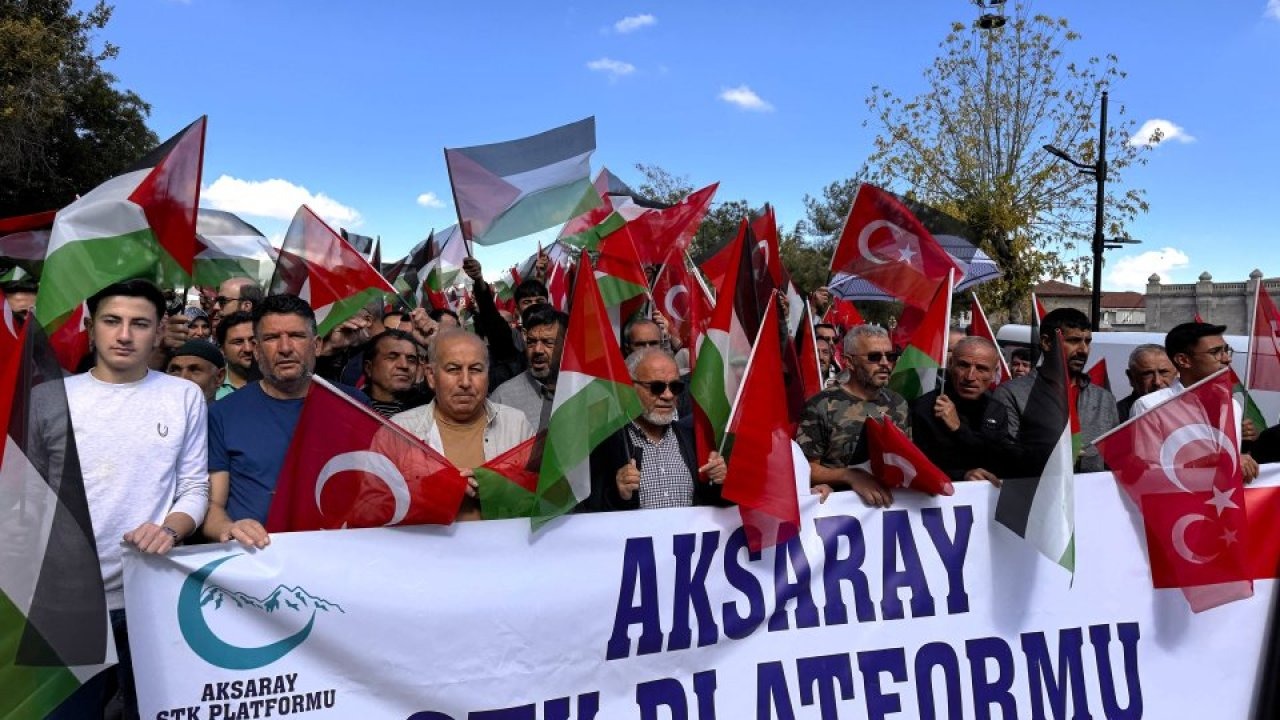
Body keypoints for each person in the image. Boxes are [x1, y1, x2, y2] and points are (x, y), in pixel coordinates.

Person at [55, 279, 208, 719]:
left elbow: (194, 487)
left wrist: (170, 529)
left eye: (139, 323)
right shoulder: (51, 397)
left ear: (159, 331)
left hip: (152, 597)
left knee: (153, 711)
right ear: (90, 327)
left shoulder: (183, 397)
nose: (124, 335)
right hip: (69, 602)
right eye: (112, 321)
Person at [203, 295, 368, 548]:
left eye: (296, 336)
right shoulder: (222, 414)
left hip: (339, 555)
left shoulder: (355, 406)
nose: (285, 348)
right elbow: (213, 506)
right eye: (271, 338)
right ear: (256, 350)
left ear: (317, 345)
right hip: (257, 561)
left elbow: (375, 487)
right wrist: (228, 527)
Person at [392, 330, 533, 520]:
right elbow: (372, 505)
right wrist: (424, 492)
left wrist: (506, 489)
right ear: (431, 376)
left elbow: (546, 497)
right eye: (453, 369)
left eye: (475, 369)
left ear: (488, 375)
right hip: (427, 547)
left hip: (502, 546)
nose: (465, 382)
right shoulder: (400, 431)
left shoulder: (516, 424)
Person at [583, 348, 727, 511]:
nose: (668, 395)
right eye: (656, 387)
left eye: (675, 387)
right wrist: (618, 495)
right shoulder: (605, 444)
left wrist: (720, 483)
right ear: (630, 387)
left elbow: (715, 511)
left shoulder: (693, 439)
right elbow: (585, 519)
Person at [992, 308, 1118, 473]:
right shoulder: (1012, 394)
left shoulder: (1104, 399)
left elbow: (1116, 458)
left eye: (1087, 342)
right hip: (1036, 495)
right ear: (1046, 342)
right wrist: (1054, 456)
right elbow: (1002, 456)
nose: (1083, 350)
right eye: (1074, 341)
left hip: (1091, 496)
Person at [795, 324, 909, 507]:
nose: (885, 363)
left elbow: (908, 460)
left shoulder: (899, 404)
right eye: (874, 357)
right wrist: (850, 476)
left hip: (892, 509)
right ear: (849, 362)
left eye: (891, 356)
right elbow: (806, 468)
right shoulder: (821, 405)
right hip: (841, 514)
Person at [1130, 322, 1260, 479]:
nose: (1226, 359)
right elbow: (1145, 475)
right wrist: (1208, 463)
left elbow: (1232, 467)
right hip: (1179, 502)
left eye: (1226, 350)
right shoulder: (1150, 407)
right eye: (1215, 352)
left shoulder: (1232, 405)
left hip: (1225, 501)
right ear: (1183, 360)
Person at [910, 337, 1016, 484]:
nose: (970, 376)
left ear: (994, 373)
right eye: (963, 365)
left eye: (981, 368)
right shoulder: (925, 408)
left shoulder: (996, 409)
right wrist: (961, 475)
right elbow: (916, 466)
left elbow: (999, 458)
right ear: (950, 365)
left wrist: (959, 429)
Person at [490, 306, 567, 430]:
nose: (537, 350)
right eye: (531, 342)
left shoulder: (587, 390)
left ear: (566, 344)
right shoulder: (503, 398)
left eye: (547, 342)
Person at [362, 329, 430, 417]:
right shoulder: (350, 403)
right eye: (392, 357)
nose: (404, 365)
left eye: (411, 360)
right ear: (369, 368)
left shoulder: (428, 408)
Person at [1116, 344, 1176, 420]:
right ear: (1131, 377)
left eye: (1163, 372)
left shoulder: (1191, 407)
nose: (1157, 382)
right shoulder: (1115, 415)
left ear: (1176, 373)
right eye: (1147, 374)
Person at [214, 310, 258, 399]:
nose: (248, 349)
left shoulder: (278, 383)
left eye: (253, 340)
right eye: (238, 342)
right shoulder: (211, 387)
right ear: (222, 349)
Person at [167, 339, 226, 405]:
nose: (183, 378)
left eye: (194, 370)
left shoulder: (232, 414)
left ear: (219, 377)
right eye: (175, 370)